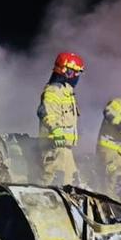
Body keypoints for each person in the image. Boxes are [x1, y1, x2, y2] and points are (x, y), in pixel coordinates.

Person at [37, 52, 85, 185]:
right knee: (53, 184)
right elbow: (47, 113)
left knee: (72, 184)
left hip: (64, 149)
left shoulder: (67, 93)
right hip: (54, 147)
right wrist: (57, 131)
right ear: (66, 71)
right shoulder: (53, 91)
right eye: (75, 73)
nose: (77, 77)